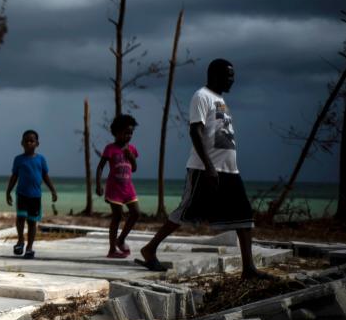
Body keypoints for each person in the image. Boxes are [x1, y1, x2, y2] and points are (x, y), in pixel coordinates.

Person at [135, 58, 272, 279]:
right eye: (229, 76)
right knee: (185, 211)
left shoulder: (220, 100)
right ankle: (150, 248)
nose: (233, 80)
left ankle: (249, 269)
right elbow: (195, 131)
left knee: (244, 215)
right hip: (204, 169)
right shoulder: (201, 96)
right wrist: (209, 166)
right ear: (215, 75)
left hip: (229, 171)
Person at [6, 129, 59, 259]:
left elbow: (45, 176)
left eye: (32, 141)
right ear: (22, 143)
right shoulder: (18, 159)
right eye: (26, 141)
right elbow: (14, 177)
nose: (29, 143)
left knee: (32, 222)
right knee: (20, 218)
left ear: (37, 143)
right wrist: (8, 192)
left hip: (35, 196)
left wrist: (53, 190)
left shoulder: (41, 159)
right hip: (22, 194)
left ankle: (29, 247)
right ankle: (20, 241)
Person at [96, 114, 141, 258]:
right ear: (116, 132)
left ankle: (120, 239)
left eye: (131, 133)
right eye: (125, 132)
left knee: (136, 213)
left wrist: (131, 157)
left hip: (128, 187)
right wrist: (98, 184)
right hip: (114, 188)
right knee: (117, 216)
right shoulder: (110, 148)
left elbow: (134, 168)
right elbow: (100, 167)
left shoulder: (132, 149)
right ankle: (112, 250)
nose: (128, 136)